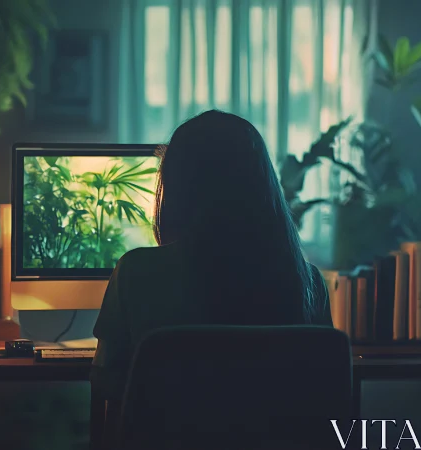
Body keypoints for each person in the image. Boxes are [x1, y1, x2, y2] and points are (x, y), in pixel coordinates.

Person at [90, 110, 332, 401]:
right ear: (262, 184)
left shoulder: (135, 273)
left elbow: (105, 379)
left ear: (177, 188)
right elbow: (320, 389)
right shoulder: (307, 282)